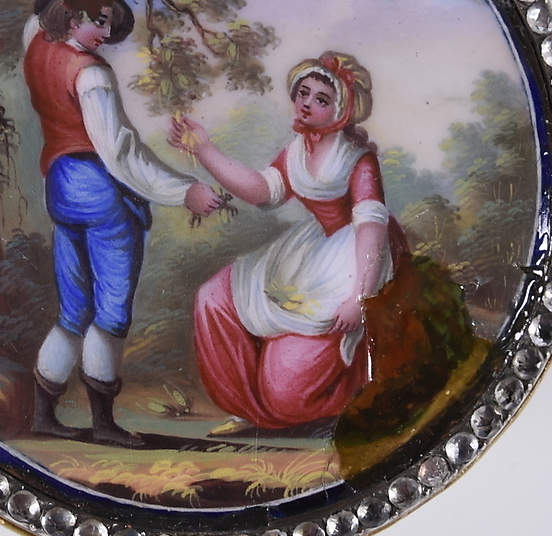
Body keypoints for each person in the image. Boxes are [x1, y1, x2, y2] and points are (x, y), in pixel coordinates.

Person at [24, 0, 219, 447]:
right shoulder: (91, 75)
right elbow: (120, 152)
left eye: (110, 21)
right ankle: (104, 423)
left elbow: (35, 15)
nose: (107, 32)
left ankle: (43, 414)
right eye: (99, 21)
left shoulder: (37, 46)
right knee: (110, 311)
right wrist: (184, 190)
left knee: (73, 310)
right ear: (70, 15)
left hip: (60, 188)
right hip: (99, 193)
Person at [169, 52, 410, 432]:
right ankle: (247, 409)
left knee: (284, 391)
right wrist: (204, 149)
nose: (307, 103)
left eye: (321, 99)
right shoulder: (298, 150)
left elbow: (371, 230)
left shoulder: (357, 160)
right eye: (303, 93)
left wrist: (360, 298)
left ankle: (351, 399)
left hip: (358, 259)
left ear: (342, 111)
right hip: (312, 250)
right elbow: (263, 191)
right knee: (212, 297)